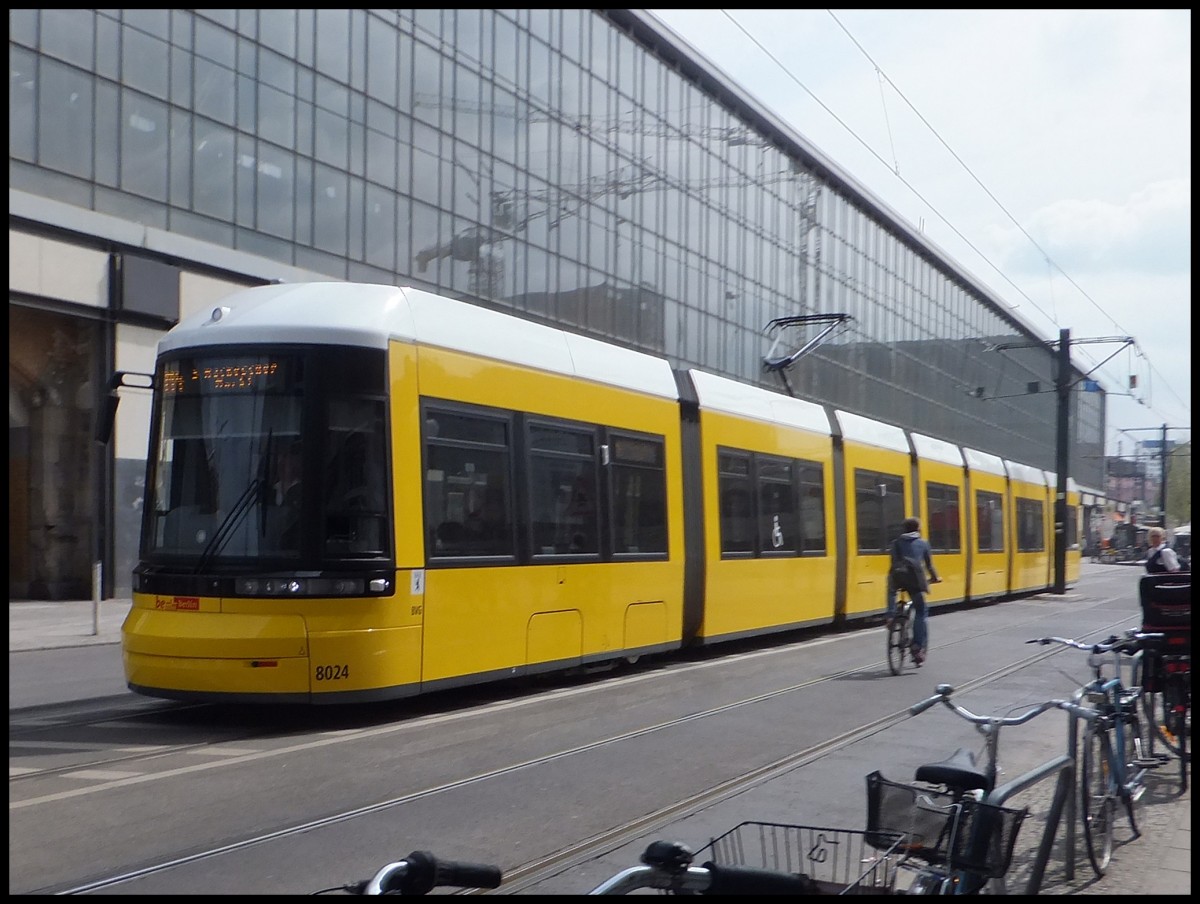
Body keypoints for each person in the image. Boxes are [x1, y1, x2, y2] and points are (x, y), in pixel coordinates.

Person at [887, 517, 941, 666]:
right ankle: (917, 647)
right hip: (915, 581)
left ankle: (890, 616)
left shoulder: (895, 544)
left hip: (897, 577)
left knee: (891, 589)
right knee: (921, 611)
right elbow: (929, 566)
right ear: (918, 529)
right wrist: (935, 578)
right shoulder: (923, 544)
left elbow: (893, 564)